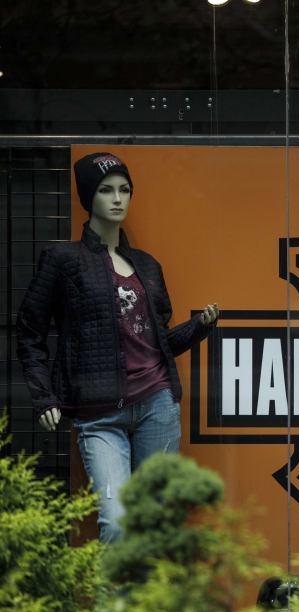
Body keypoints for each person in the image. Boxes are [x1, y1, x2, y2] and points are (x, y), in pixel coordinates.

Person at [16, 153, 219, 543]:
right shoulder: (63, 260)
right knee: (118, 523)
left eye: (124, 190)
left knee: (152, 525)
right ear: (88, 196)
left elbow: (157, 343)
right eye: (106, 190)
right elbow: (29, 332)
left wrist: (199, 327)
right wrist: (43, 396)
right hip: (99, 415)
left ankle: (144, 588)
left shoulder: (147, 266)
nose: (117, 198)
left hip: (157, 406)